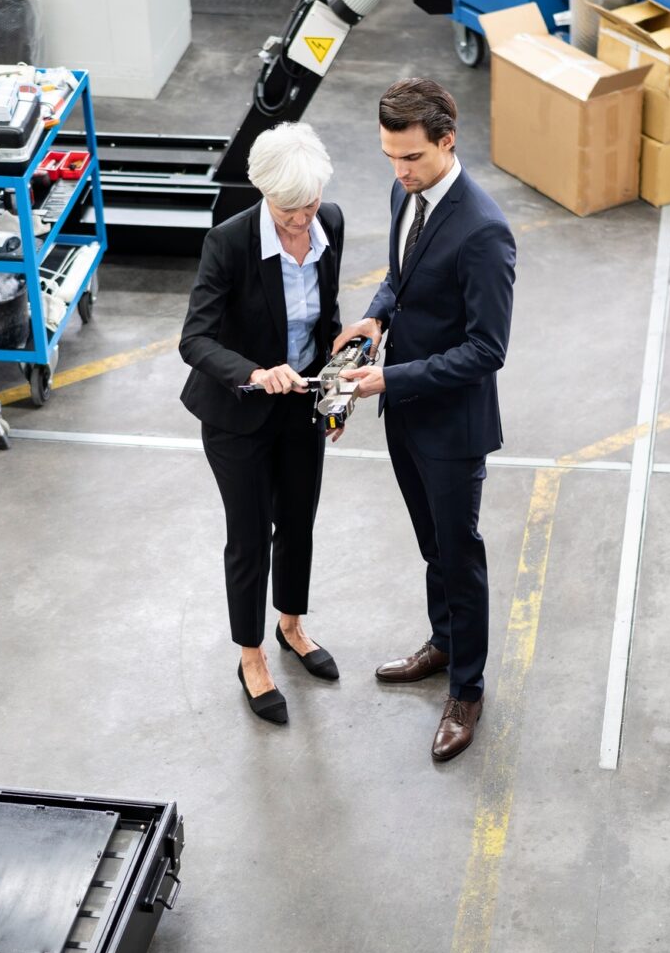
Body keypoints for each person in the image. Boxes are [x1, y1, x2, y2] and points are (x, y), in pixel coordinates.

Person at [334, 78, 515, 762]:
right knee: (431, 545)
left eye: (411, 157)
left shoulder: (484, 230)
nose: (399, 170)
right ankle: (444, 643)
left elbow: (486, 349)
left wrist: (390, 377)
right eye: (389, 157)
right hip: (404, 413)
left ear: (448, 139)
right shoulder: (403, 192)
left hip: (451, 425)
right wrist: (376, 314)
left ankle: (466, 689)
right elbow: (402, 277)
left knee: (458, 552)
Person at [179, 122, 344, 726]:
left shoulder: (331, 223)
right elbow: (194, 339)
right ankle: (251, 656)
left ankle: (292, 626)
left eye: (310, 206)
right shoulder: (228, 244)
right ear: (263, 193)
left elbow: (324, 319)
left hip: (302, 404)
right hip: (239, 416)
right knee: (250, 536)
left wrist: (336, 389)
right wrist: (254, 371)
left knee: (298, 520)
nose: (302, 221)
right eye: (288, 211)